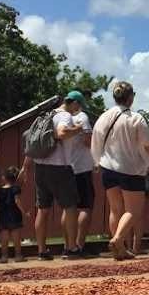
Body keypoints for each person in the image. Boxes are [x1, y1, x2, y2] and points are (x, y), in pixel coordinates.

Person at [93, 81, 149, 260]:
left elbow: (95, 143)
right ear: (131, 97)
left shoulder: (103, 117)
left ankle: (120, 250)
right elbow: (147, 145)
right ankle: (118, 239)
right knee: (133, 210)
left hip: (107, 168)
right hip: (130, 168)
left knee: (115, 209)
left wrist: (98, 162)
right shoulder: (136, 118)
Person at [20, 95, 83, 260]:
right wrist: (77, 129)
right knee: (70, 207)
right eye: (79, 105)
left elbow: (32, 142)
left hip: (40, 167)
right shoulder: (65, 116)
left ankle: (42, 250)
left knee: (43, 209)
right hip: (60, 167)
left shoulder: (45, 115)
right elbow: (62, 133)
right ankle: (71, 248)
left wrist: (25, 167)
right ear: (73, 103)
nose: (79, 109)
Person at [59, 91, 97, 256]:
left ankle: (67, 246)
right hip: (82, 167)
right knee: (85, 207)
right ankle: (79, 245)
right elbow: (88, 141)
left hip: (66, 167)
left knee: (68, 208)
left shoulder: (62, 118)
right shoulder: (82, 117)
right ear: (78, 103)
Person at [0, 166, 25, 262]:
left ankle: (4, 256)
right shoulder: (16, 189)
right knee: (16, 238)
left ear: (4, 177)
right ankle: (18, 255)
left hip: (3, 216)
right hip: (15, 214)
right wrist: (23, 212)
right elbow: (17, 201)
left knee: (4, 238)